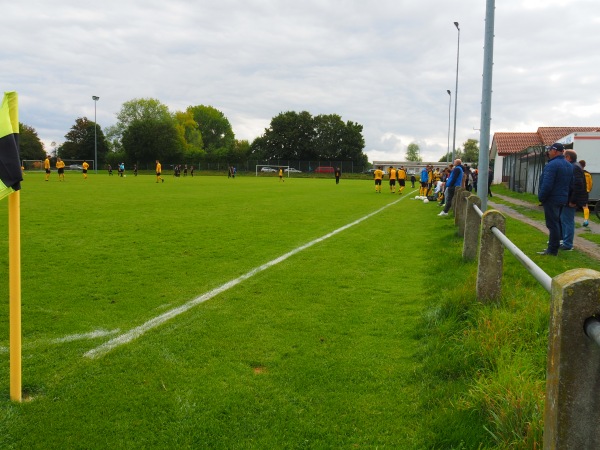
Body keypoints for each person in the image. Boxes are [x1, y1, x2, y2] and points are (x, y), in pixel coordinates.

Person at [537, 143, 573, 256]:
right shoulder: (569, 165)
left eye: (550, 150)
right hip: (562, 198)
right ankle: (555, 247)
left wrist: (541, 197)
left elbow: (547, 184)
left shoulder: (552, 165)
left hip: (552, 198)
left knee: (552, 224)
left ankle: (552, 250)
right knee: (557, 223)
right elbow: (571, 184)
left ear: (555, 151)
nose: (548, 152)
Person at [560, 150, 587, 251]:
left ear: (568, 157)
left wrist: (573, 200)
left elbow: (577, 185)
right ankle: (564, 241)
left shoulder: (574, 167)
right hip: (568, 198)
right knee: (564, 219)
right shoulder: (575, 166)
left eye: (564, 157)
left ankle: (567, 244)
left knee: (568, 221)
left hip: (571, 200)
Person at [580, 160, 592, 227]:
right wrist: (588, 190)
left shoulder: (577, 173)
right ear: (584, 166)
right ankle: (586, 220)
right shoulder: (588, 174)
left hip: (578, 191)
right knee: (585, 206)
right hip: (585, 191)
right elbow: (590, 184)